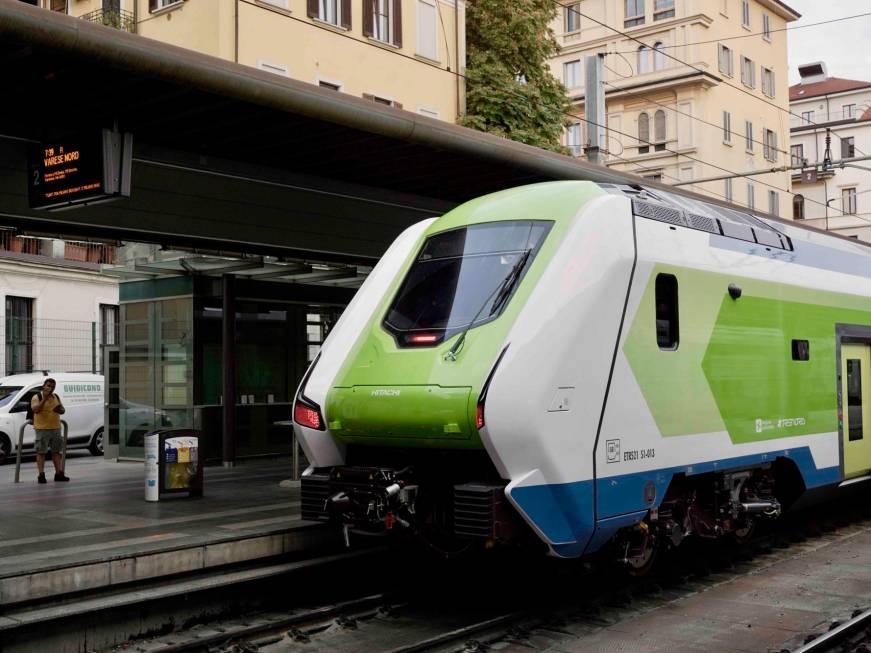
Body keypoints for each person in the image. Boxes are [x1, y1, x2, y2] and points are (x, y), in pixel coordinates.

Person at [31, 378, 68, 483]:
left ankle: (58, 473)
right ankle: (41, 475)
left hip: (55, 427)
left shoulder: (56, 396)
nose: (51, 388)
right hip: (42, 429)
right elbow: (36, 410)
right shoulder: (37, 397)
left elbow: (63, 410)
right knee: (41, 452)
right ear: (44, 386)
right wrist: (45, 399)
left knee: (56, 452)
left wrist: (60, 410)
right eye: (49, 386)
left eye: (53, 386)